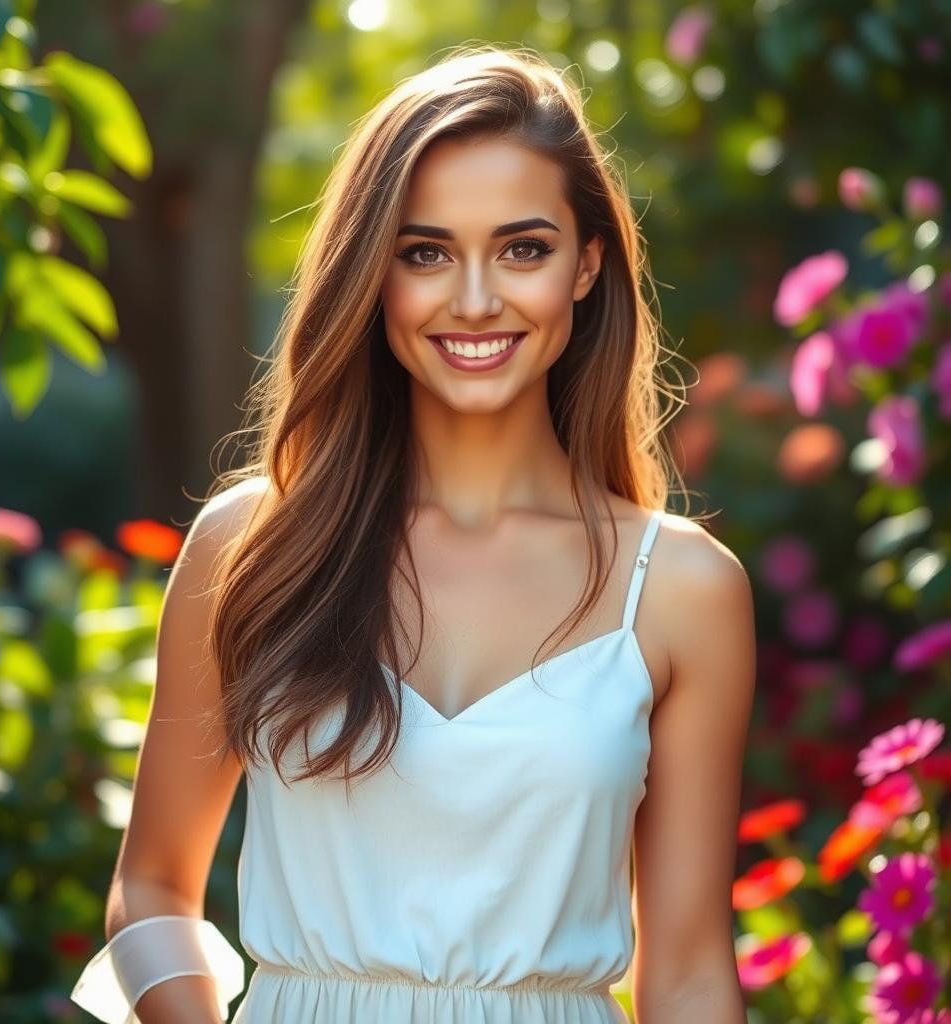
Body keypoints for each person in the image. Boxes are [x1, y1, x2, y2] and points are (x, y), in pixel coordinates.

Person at [70, 44, 756, 1024]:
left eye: (522, 248)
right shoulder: (252, 547)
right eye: (424, 252)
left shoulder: (682, 589)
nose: (474, 300)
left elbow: (687, 973)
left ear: (586, 266)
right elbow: (151, 890)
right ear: (372, 273)